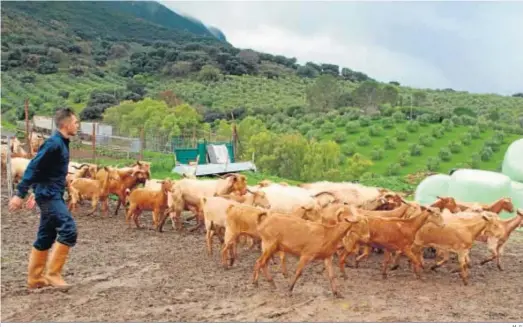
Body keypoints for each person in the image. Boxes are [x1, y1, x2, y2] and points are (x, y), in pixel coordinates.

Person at [8, 108, 79, 289]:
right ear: (67, 124)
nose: (78, 125)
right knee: (69, 229)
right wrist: (20, 194)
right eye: (76, 122)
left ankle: (35, 279)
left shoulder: (62, 143)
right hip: (48, 195)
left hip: (51, 192)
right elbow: (34, 167)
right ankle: (53, 274)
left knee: (47, 235)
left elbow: (48, 170)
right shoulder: (54, 143)